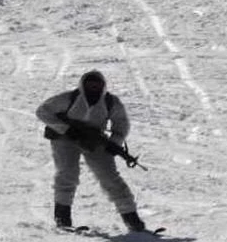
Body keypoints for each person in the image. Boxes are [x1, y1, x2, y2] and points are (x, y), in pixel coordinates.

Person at [35, 70, 150, 232]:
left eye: (97, 84)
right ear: (83, 84)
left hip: (94, 141)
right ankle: (62, 217)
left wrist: (114, 143)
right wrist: (65, 129)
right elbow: (43, 111)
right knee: (67, 173)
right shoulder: (69, 98)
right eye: (90, 83)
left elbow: (121, 124)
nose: (93, 87)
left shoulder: (111, 102)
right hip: (64, 139)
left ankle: (132, 219)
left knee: (110, 177)